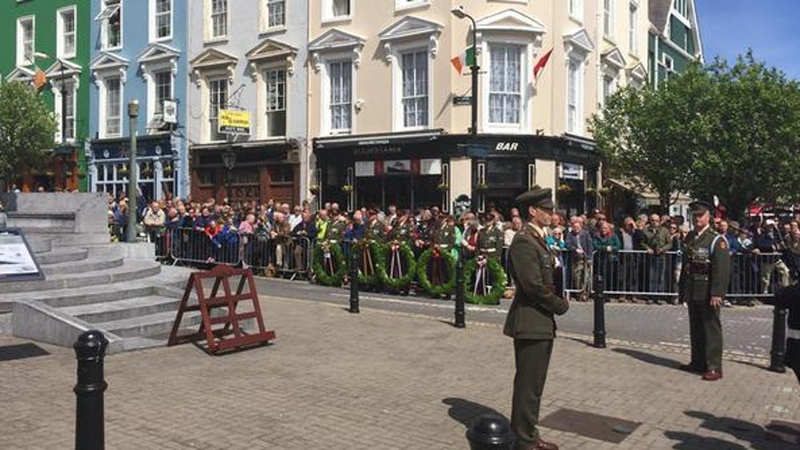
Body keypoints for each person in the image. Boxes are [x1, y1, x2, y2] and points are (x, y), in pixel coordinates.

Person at [504, 188, 569, 450]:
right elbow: (532, 286)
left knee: (535, 384)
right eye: (547, 210)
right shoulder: (524, 241)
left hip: (540, 320)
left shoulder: (538, 239)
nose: (552, 215)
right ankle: (523, 439)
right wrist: (560, 305)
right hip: (530, 321)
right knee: (529, 384)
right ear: (533, 211)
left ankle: (527, 431)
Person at [678, 200, 731, 381]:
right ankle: (698, 362)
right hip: (694, 289)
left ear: (708, 216)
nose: (696, 218)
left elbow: (721, 269)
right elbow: (687, 266)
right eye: (694, 216)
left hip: (708, 290)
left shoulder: (716, 239)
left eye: (700, 215)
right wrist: (683, 290)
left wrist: (717, 292)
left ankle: (715, 366)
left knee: (711, 328)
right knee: (696, 328)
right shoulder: (691, 237)